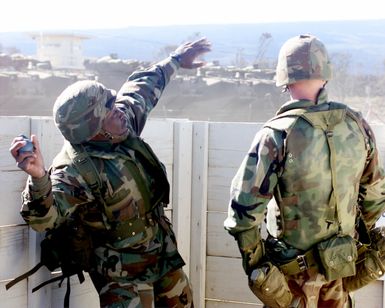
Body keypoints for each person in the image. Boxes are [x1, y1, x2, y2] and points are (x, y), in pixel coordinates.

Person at [10, 37, 211, 307]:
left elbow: (142, 86)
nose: (120, 111)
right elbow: (43, 220)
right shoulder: (74, 169)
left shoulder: (121, 125)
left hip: (163, 257)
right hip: (120, 277)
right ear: (93, 129)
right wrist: (38, 177)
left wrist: (175, 60)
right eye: (110, 111)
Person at [224, 34, 385, 308]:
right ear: (326, 75)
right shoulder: (358, 126)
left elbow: (242, 215)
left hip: (290, 281)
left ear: (285, 79)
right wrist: (346, 244)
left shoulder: (276, 134)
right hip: (340, 272)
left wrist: (260, 269)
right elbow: (374, 199)